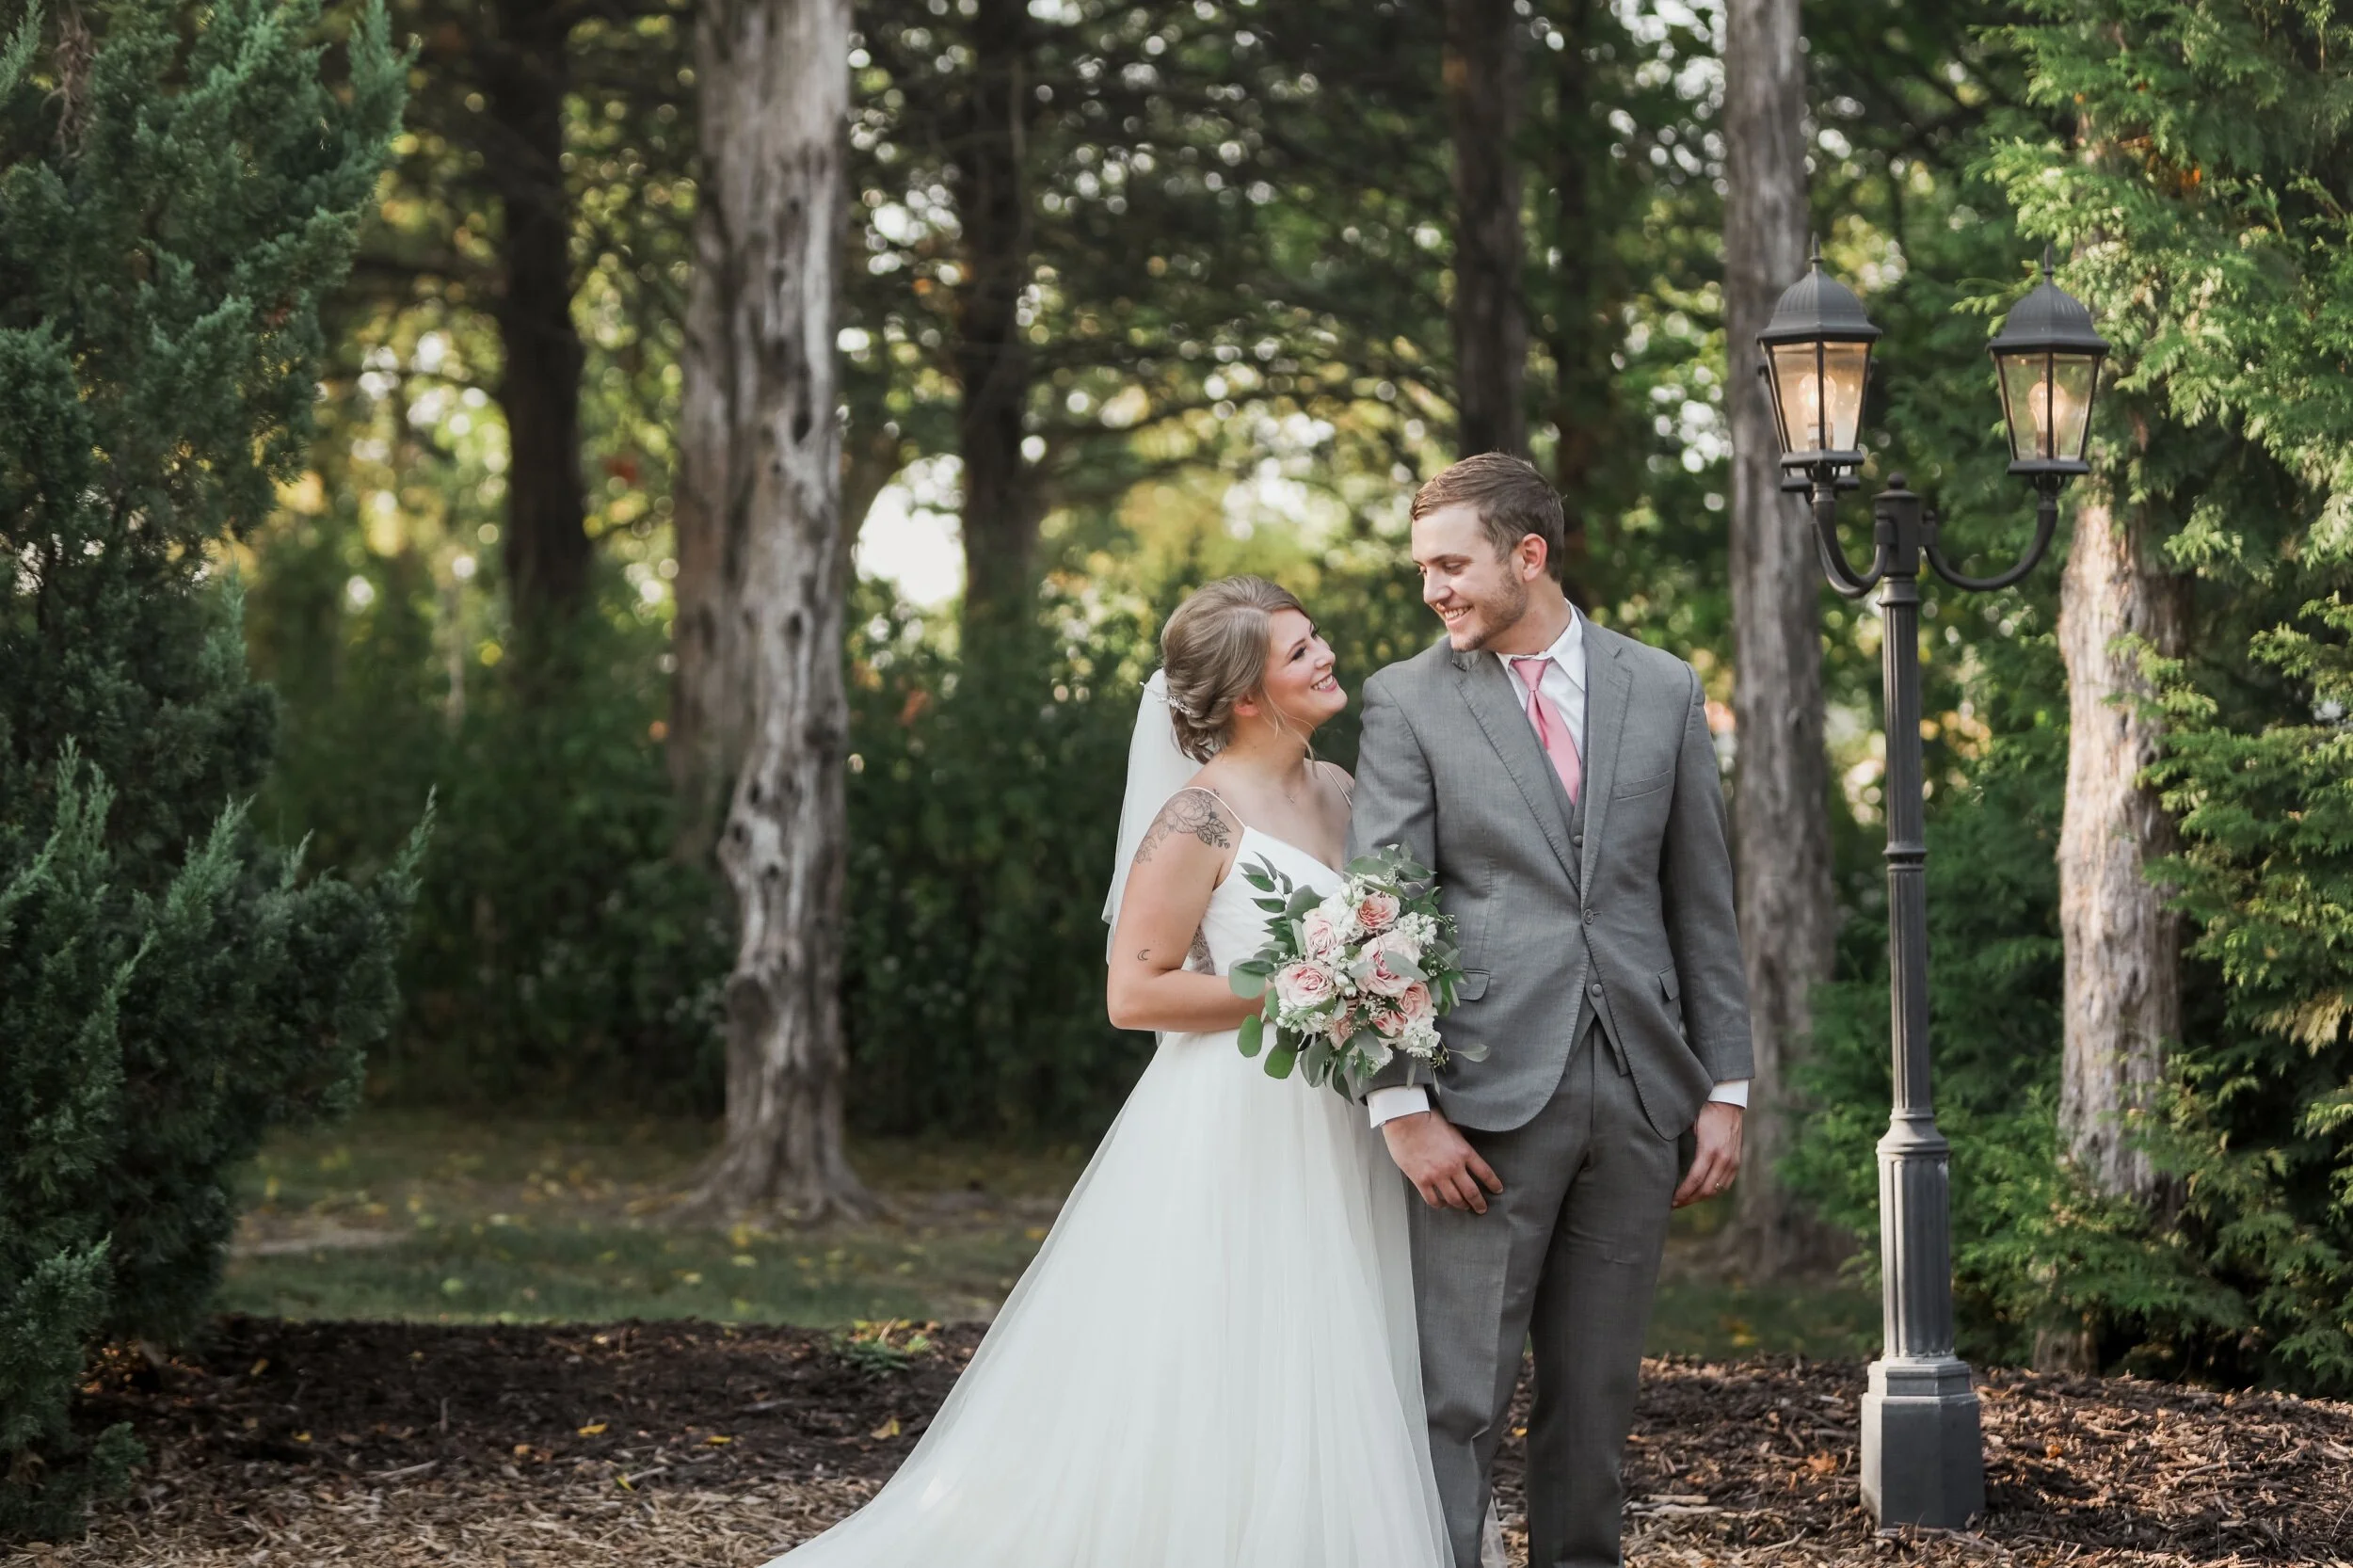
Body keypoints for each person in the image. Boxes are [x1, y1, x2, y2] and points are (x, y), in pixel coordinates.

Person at [760, 575, 1453, 1568]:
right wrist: (1300, 983)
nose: (1326, 655)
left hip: (1342, 1110)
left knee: (1332, 1356)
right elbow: (1134, 994)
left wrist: (1371, 983)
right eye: (1299, 650)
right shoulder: (1196, 821)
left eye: (1317, 638)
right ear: (1248, 695)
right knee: (1239, 1348)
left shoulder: (1342, 789)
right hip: (1241, 1120)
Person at [1350, 452, 1755, 1568]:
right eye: (1423, 568)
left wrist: (1723, 1086)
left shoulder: (1663, 688)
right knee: (1458, 1401)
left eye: (1450, 564)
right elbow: (1386, 911)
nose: (1432, 589)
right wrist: (1401, 1104)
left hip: (1636, 1094)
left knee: (1597, 1397)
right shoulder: (1406, 703)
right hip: (1477, 1102)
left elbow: (1699, 899)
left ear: (1526, 557)